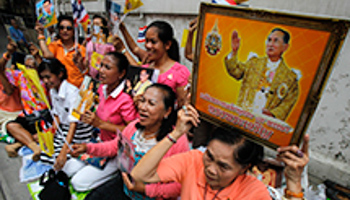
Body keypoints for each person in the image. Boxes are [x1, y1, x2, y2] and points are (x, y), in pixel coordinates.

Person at [131, 104, 310, 200]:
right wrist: (176, 133)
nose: (210, 169)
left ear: (243, 168)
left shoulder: (252, 191)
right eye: (209, 156)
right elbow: (139, 175)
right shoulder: (194, 160)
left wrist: (294, 183)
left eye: (223, 166)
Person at [70, 84, 189, 200]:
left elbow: (180, 186)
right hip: (125, 187)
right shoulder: (134, 127)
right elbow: (115, 146)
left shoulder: (177, 141)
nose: (142, 107)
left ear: (167, 111)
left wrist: (145, 189)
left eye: (151, 103)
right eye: (142, 101)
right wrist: (88, 148)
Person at [225, 28, 299, 120]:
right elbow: (236, 71)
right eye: (269, 40)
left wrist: (273, 114)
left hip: (262, 126)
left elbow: (288, 102)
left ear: (285, 47)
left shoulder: (289, 77)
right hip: (242, 117)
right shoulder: (254, 63)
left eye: (276, 41)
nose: (271, 44)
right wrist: (234, 52)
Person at [37, 58, 94, 169]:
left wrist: (64, 151)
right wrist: (51, 136)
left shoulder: (71, 92)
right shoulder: (53, 90)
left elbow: (74, 124)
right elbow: (57, 116)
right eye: (43, 78)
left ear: (60, 74)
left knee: (60, 159)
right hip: (65, 129)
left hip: (78, 131)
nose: (46, 81)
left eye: (48, 77)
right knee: (46, 154)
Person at [4, 43, 50, 161]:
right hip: (29, 116)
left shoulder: (45, 79)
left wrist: (38, 58)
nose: (30, 70)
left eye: (33, 67)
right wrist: (8, 54)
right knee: (11, 126)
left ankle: (18, 144)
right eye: (27, 67)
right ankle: (34, 147)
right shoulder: (21, 77)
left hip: (44, 115)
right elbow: (1, 70)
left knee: (48, 131)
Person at [81, 52, 138, 141]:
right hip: (100, 139)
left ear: (121, 73)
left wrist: (101, 124)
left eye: (107, 67)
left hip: (116, 147)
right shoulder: (102, 88)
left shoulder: (125, 99)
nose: (101, 70)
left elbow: (133, 131)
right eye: (101, 66)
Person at [142, 21, 190, 108]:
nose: (148, 45)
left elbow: (183, 106)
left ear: (167, 44)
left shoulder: (179, 72)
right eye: (146, 41)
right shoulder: (144, 70)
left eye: (153, 42)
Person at [36, 15, 88, 87]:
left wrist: (80, 63)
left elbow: (86, 72)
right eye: (61, 28)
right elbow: (47, 55)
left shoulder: (81, 50)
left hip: (77, 90)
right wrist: (40, 35)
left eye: (69, 28)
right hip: (60, 89)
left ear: (74, 31)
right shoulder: (55, 45)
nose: (65, 30)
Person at [0, 37, 23, 145]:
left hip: (13, 114)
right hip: (2, 112)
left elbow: (8, 91)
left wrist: (8, 52)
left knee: (11, 126)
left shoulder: (11, 75)